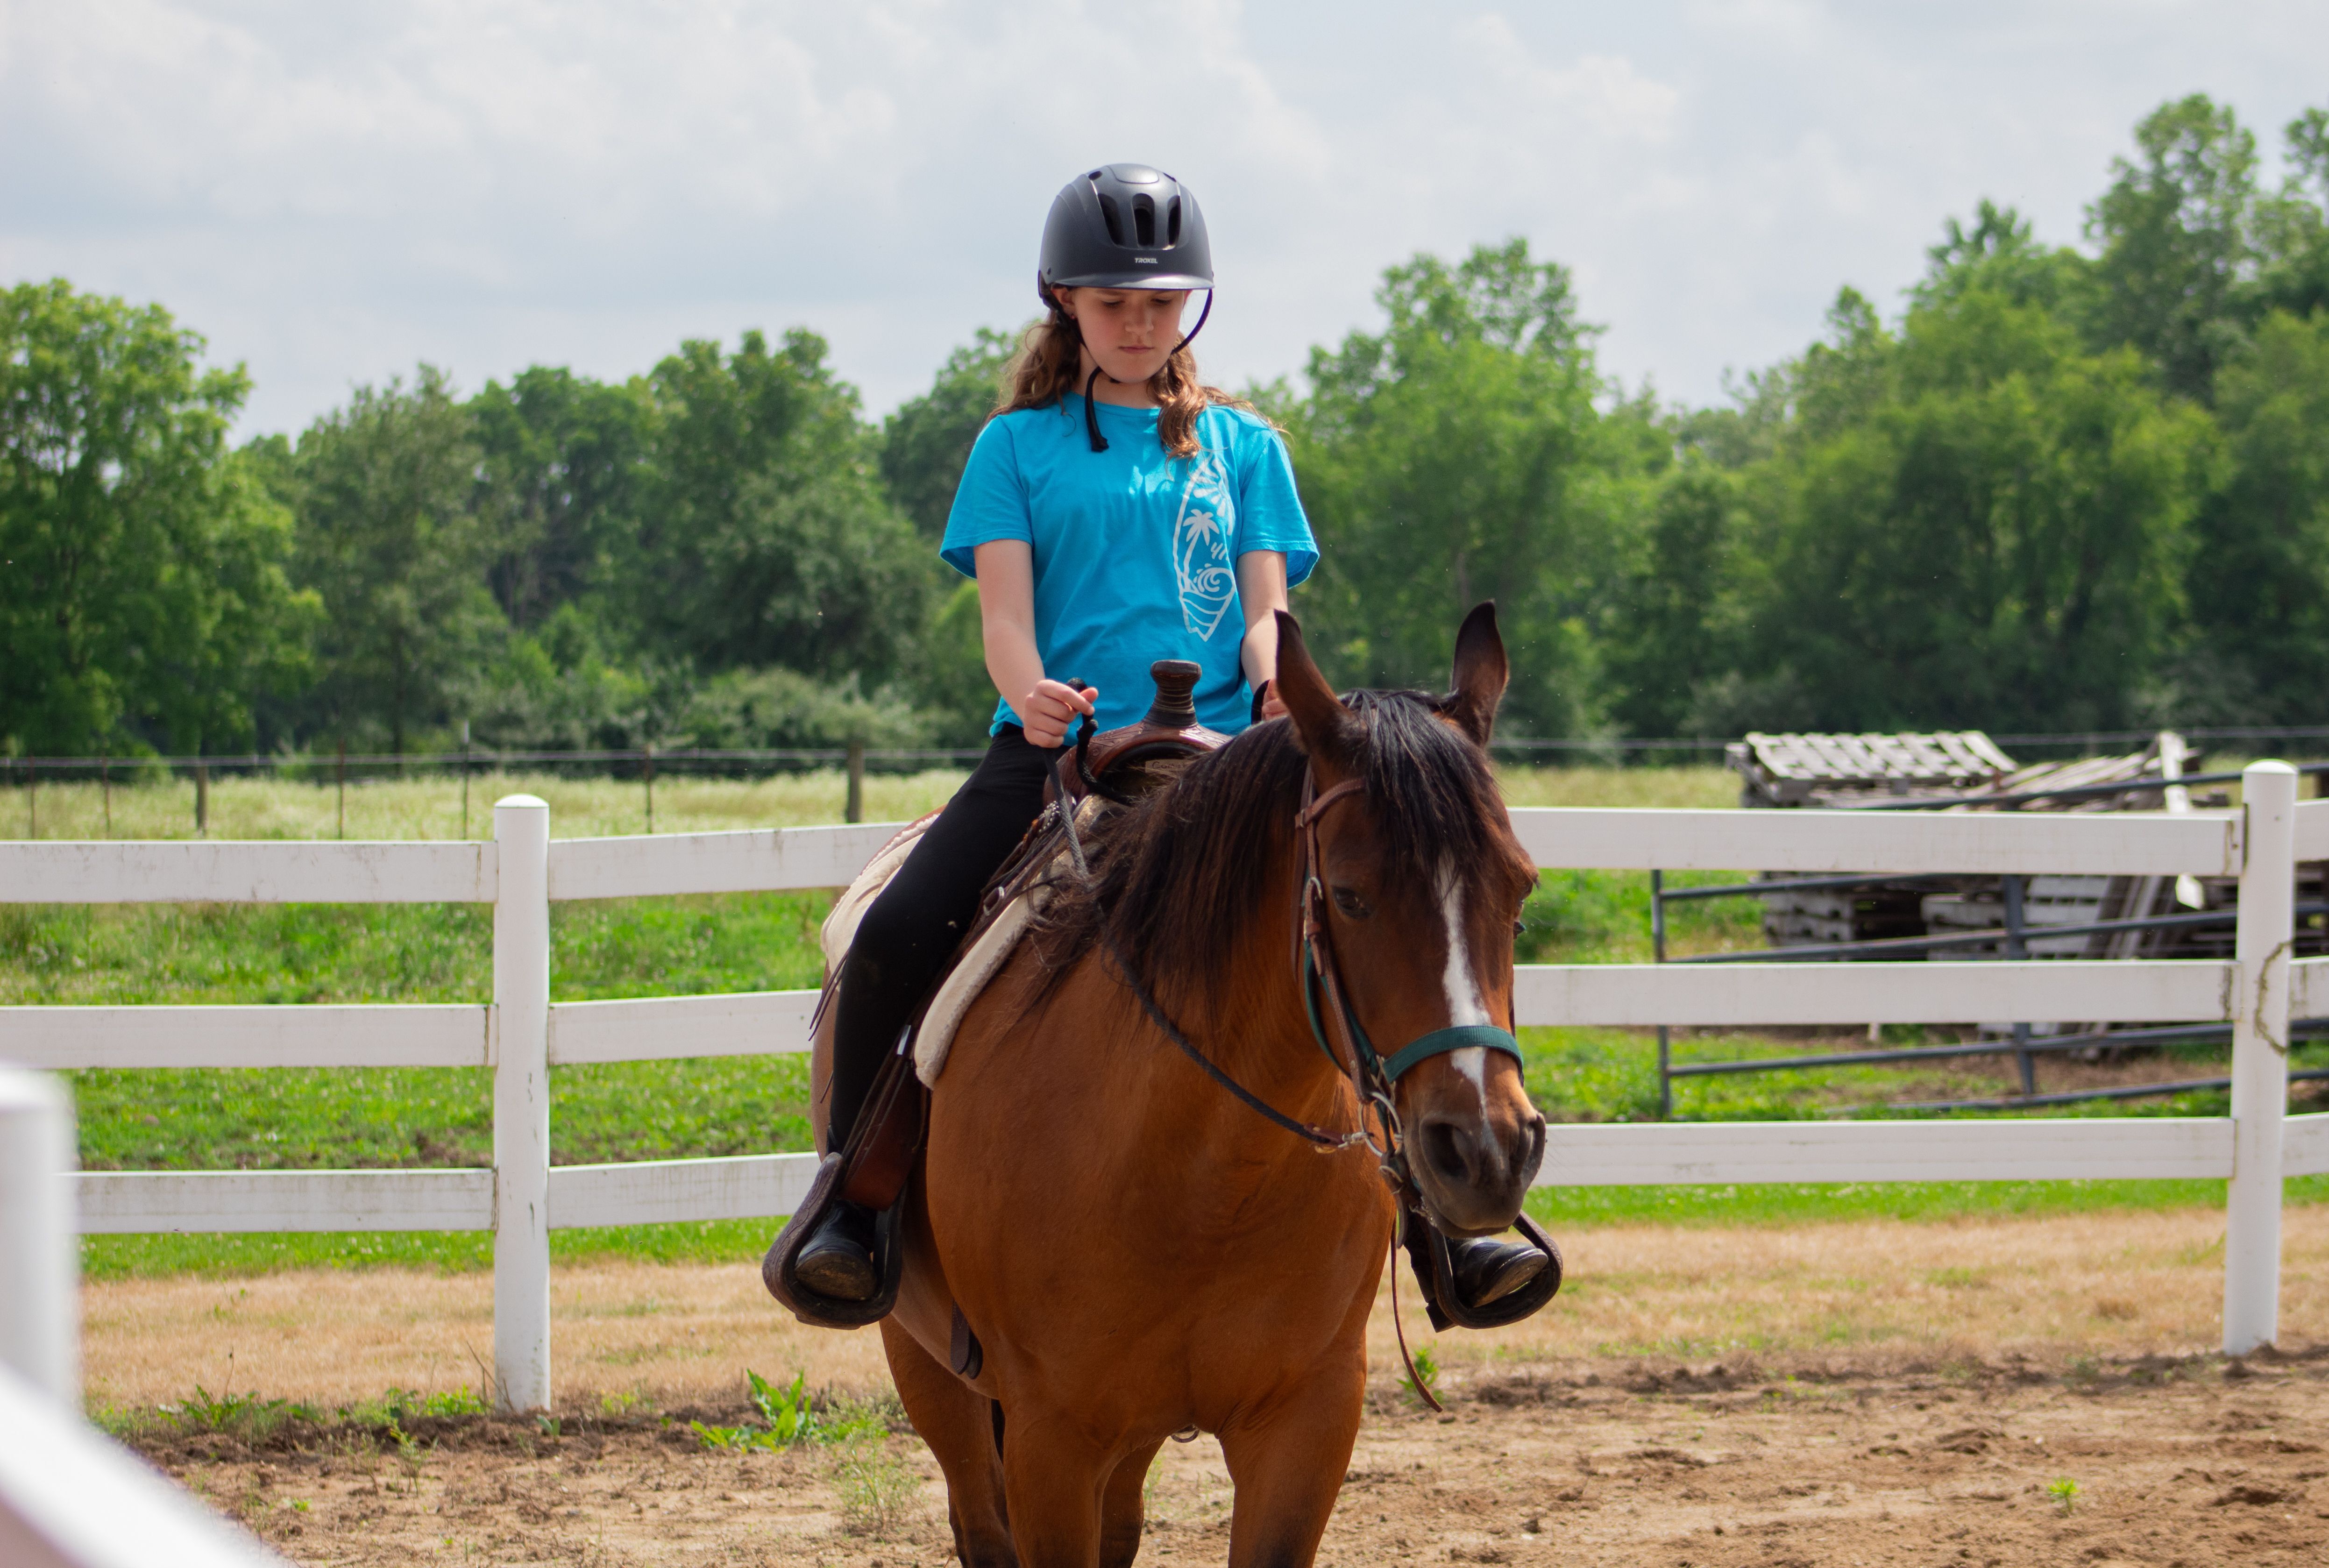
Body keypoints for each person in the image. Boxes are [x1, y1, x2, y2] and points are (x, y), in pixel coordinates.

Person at [794, 163, 1545, 1318]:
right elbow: (1003, 615)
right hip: (1059, 750)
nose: (1138, 324)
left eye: (1159, 302)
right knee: (898, 931)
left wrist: (1275, 682)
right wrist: (1031, 687)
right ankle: (854, 1198)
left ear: (1192, 307)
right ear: (1065, 303)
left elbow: (1264, 611)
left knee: (1359, 958)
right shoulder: (1014, 448)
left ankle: (1445, 1228)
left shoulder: (1245, 449)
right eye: (1112, 302)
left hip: (1229, 763)